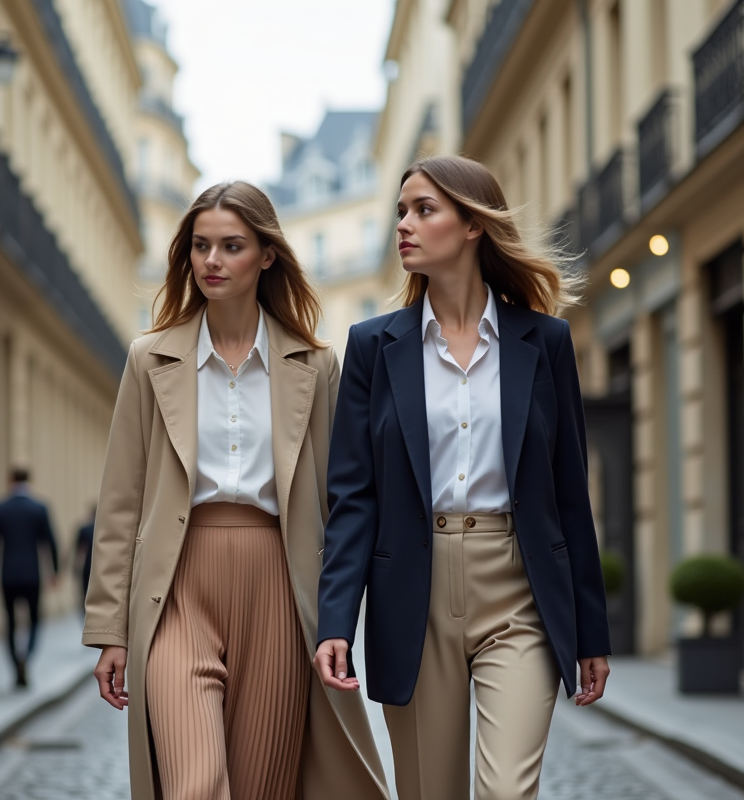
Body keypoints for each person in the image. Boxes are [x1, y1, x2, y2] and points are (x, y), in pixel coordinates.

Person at [315, 155, 612, 800]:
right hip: (411, 593)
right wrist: (335, 619)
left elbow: (569, 494)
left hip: (519, 586)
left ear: (474, 225)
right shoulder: (372, 347)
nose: (404, 226)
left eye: (424, 210)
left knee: (508, 790)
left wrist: (591, 629)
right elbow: (353, 499)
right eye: (401, 212)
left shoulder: (545, 342)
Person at [83, 181, 389, 800]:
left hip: (278, 583)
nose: (212, 262)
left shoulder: (315, 364)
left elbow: (339, 504)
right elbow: (120, 502)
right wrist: (109, 630)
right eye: (200, 246)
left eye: (231, 246)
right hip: (176, 586)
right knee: (193, 784)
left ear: (266, 255)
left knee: (262, 788)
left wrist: (340, 618)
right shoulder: (150, 360)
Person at [0, 467, 59, 689]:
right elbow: (50, 542)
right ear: (30, 480)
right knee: (35, 620)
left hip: (7, 575)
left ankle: (16, 663)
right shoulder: (39, 507)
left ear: (9, 480)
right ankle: (27, 655)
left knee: (10, 623)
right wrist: (53, 572)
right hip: (32, 575)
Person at [74, 505, 96, 608]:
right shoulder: (106, 530)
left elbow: (78, 551)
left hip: (87, 566)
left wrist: (75, 567)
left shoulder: (84, 529)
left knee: (86, 593)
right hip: (101, 565)